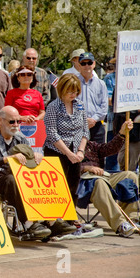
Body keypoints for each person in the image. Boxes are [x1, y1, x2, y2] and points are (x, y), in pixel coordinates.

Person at [0, 106, 51, 238]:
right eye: (12, 122)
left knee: (42, 176)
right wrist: (6, 159)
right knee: (12, 179)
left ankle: (51, 220)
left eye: (18, 121)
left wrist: (35, 155)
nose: (16, 125)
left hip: (20, 176)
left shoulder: (20, 137)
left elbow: (29, 158)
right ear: (0, 120)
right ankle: (28, 223)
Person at [78, 119, 139, 237]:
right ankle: (120, 224)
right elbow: (65, 167)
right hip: (83, 182)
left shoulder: (91, 145)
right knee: (99, 182)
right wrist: (87, 168)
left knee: (130, 175)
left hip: (102, 176)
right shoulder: (67, 147)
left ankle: (131, 219)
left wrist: (122, 133)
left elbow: (110, 148)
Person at [43, 73, 89, 217]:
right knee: (57, 188)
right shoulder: (53, 107)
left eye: (75, 91)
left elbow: (85, 130)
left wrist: (80, 151)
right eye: (70, 91)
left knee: (73, 185)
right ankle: (55, 219)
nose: (73, 94)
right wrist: (68, 154)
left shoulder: (80, 105)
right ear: (62, 89)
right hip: (57, 151)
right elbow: (52, 133)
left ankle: (70, 216)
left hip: (76, 151)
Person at [76, 52, 108, 144]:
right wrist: (83, 120)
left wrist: (93, 119)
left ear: (94, 64)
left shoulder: (101, 84)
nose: (87, 66)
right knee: (78, 157)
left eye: (89, 63)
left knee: (98, 157)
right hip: (77, 127)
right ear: (79, 65)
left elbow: (104, 107)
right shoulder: (73, 83)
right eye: (83, 63)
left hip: (97, 127)